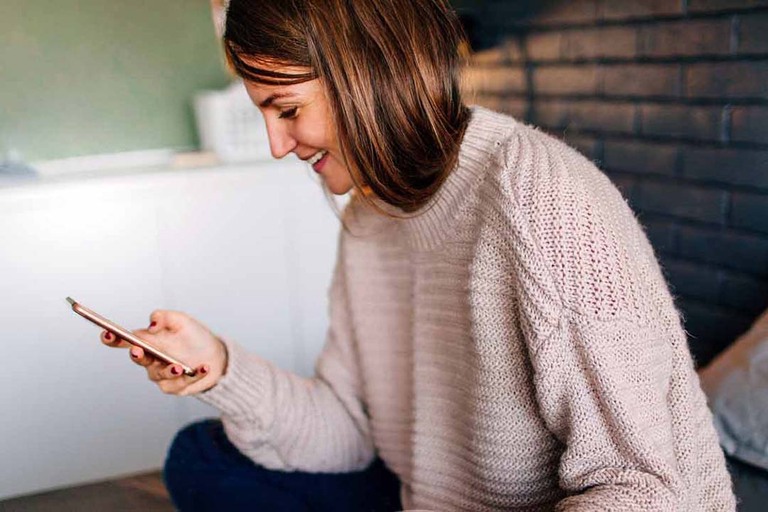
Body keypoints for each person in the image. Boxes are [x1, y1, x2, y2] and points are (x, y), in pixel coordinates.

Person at [100, 0, 736, 510]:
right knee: (199, 455)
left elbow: (647, 490)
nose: (276, 145)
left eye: (286, 109)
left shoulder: (538, 195)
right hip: (420, 494)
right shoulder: (369, 215)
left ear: (367, 73)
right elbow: (350, 431)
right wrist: (221, 367)